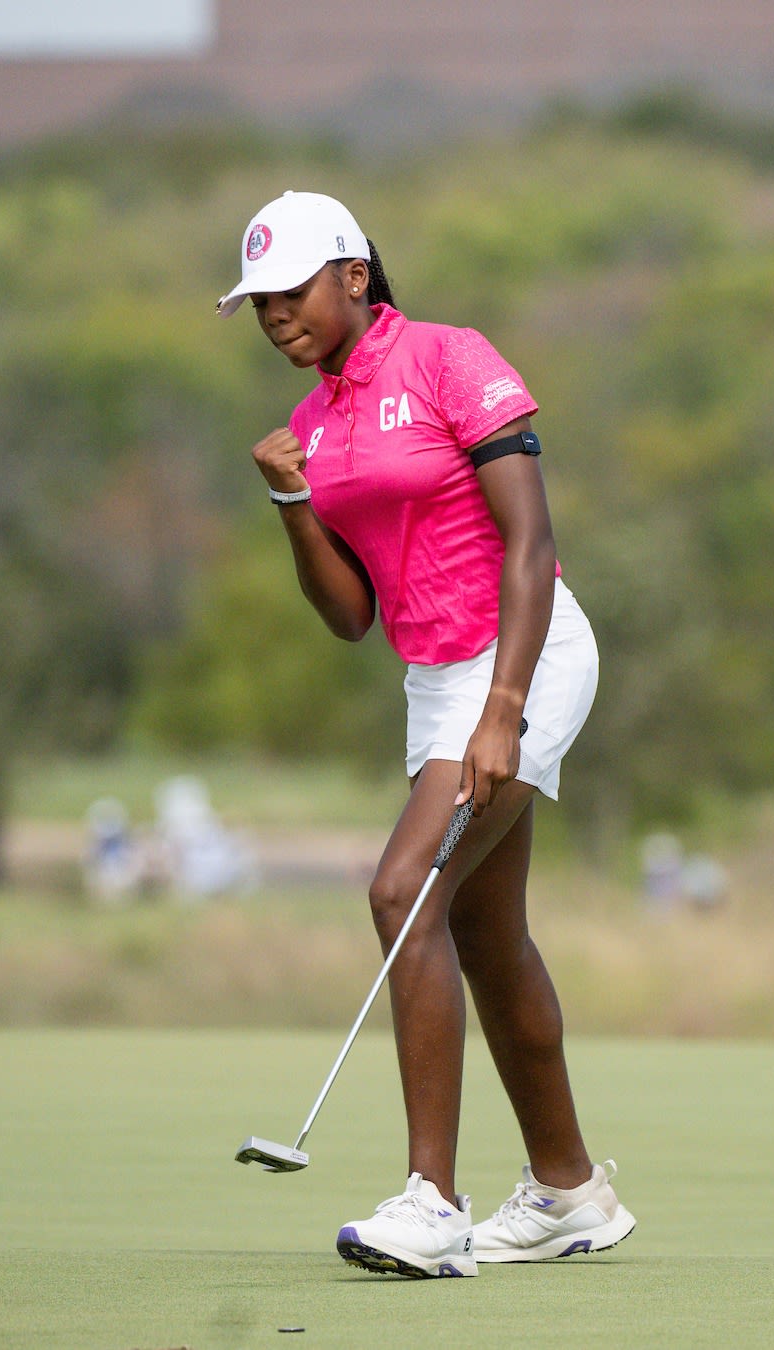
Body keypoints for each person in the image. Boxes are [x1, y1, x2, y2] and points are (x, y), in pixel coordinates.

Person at [219, 191, 634, 1278]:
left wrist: (506, 709)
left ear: (354, 275)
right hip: (434, 681)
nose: (274, 315)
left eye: (292, 291)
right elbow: (351, 618)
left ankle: (433, 1203)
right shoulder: (310, 426)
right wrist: (292, 504)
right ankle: (567, 1191)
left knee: (404, 892)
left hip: (528, 653)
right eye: (259, 302)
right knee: (488, 938)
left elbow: (532, 541)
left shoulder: (450, 359)